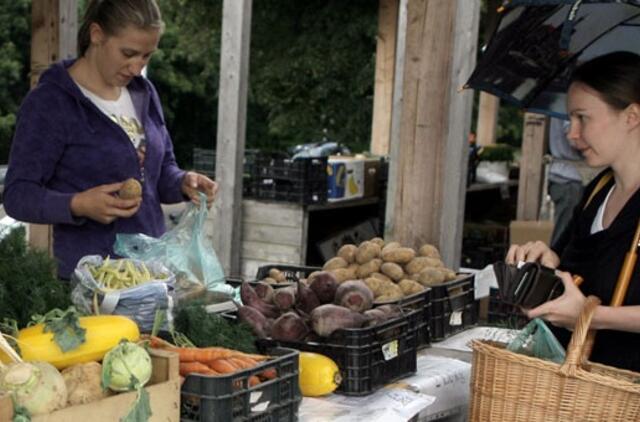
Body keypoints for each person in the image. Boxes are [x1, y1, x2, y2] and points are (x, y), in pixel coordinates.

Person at [3, 0, 218, 280]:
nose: (136, 67)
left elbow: (160, 173)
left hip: (153, 276)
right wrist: (78, 204)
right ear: (96, 35)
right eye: (128, 53)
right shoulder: (50, 103)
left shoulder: (145, 93)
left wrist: (183, 182)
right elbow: (18, 196)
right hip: (91, 285)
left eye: (146, 56)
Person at [506, 51, 640, 372]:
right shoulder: (598, 191)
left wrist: (589, 316)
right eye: (570, 119)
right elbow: (571, 273)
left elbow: (583, 308)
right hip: (575, 385)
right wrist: (546, 264)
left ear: (632, 116)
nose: (571, 133)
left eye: (583, 118)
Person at [547, 117, 585, 245]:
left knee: (567, 234)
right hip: (568, 178)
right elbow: (573, 136)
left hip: (566, 176)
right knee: (563, 238)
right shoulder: (570, 102)